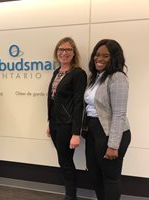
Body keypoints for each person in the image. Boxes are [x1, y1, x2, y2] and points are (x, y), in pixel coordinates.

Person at [83, 39, 131, 200]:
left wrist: (113, 145)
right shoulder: (96, 77)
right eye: (97, 55)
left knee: (110, 177)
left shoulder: (117, 77)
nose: (99, 59)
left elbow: (119, 114)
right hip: (93, 131)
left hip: (111, 133)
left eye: (105, 56)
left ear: (114, 58)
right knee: (94, 174)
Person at [47, 37, 87, 200]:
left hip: (67, 124)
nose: (64, 53)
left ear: (73, 53)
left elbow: (79, 104)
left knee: (66, 161)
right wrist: (49, 122)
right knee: (62, 160)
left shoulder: (78, 73)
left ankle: (71, 196)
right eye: (60, 50)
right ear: (57, 53)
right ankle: (70, 194)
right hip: (56, 123)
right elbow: (52, 99)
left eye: (68, 50)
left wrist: (76, 132)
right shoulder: (57, 72)